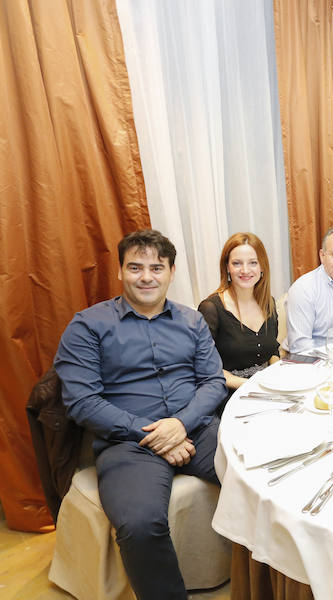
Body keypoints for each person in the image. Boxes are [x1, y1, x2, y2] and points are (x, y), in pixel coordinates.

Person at [54, 229, 226, 599]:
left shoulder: (191, 321)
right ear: (120, 271)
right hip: (126, 443)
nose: (146, 276)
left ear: (171, 271)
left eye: (156, 267)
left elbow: (212, 382)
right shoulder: (87, 326)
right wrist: (153, 435)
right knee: (139, 523)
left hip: (195, 427)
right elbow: (82, 401)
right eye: (135, 267)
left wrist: (180, 424)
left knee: (258, 478)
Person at [199, 233, 279, 394]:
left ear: (262, 267)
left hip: (266, 386)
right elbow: (205, 367)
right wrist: (252, 386)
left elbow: (273, 351)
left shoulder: (268, 302)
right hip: (230, 390)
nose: (245, 270)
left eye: (253, 263)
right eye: (237, 263)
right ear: (227, 267)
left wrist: (276, 372)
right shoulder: (210, 309)